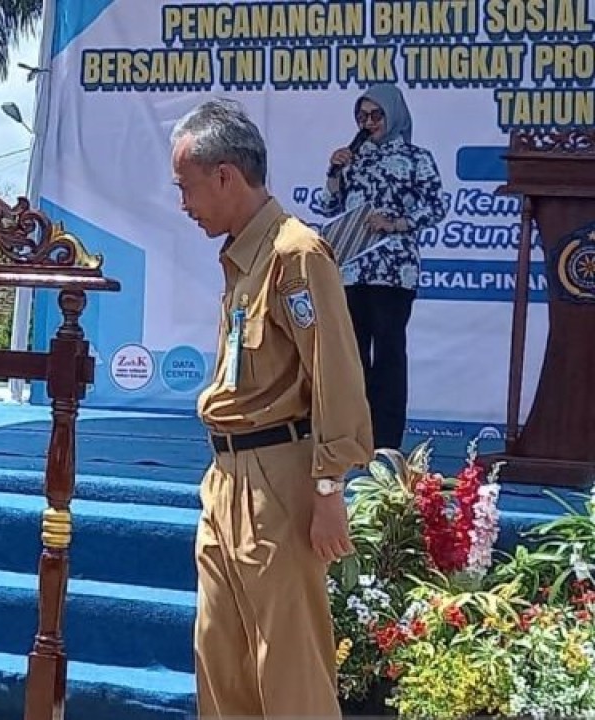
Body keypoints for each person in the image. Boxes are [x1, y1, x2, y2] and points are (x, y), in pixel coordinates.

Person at [168, 98, 374, 717]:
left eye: (188, 187)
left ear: (226, 175)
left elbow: (335, 374)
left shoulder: (296, 254)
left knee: (289, 670)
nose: (184, 204)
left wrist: (331, 487)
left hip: (279, 477)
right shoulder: (241, 257)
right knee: (221, 660)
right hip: (226, 475)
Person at [311, 82, 448, 451]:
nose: (368, 122)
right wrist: (334, 172)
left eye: (376, 115)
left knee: (388, 353)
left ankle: (386, 442)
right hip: (353, 268)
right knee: (352, 353)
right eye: (362, 115)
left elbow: (436, 207)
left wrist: (396, 223)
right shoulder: (354, 158)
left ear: (394, 115)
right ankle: (354, 435)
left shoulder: (417, 158)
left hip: (394, 271)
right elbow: (327, 207)